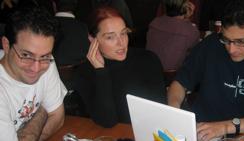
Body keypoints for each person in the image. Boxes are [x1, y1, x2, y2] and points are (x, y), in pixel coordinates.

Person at [167, 0, 244, 140]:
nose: (231, 49)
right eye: (226, 39)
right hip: (201, 133)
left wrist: (226, 126)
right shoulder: (211, 44)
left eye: (240, 42)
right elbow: (179, 83)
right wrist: (175, 113)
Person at [73, 6, 166, 128]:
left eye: (123, 33)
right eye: (110, 37)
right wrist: (101, 72)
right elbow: (107, 121)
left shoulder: (148, 60)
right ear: (92, 40)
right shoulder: (84, 73)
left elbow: (160, 111)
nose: (121, 43)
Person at [0, 7, 67, 141]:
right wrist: (43, 110)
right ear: (6, 45)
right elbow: (51, 112)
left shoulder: (45, 61)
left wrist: (30, 135)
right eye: (26, 55)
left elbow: (58, 117)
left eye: (45, 56)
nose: (36, 68)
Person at [146, 0, 200, 71]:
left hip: (148, 71)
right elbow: (195, 54)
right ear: (186, 7)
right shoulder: (191, 30)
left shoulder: (154, 22)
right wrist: (187, 19)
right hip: (173, 77)